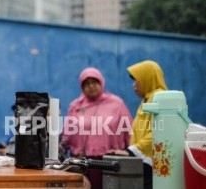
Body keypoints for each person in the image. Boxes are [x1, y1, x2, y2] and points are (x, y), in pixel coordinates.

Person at [60, 67, 132, 189]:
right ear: (82, 87)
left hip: (107, 161)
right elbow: (68, 132)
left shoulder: (116, 104)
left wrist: (130, 151)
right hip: (80, 161)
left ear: (101, 82)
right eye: (87, 84)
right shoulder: (76, 105)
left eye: (94, 82)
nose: (91, 86)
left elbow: (129, 129)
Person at [107, 60, 167, 189]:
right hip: (144, 162)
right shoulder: (148, 99)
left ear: (148, 78)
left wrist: (131, 151)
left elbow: (158, 132)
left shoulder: (160, 98)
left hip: (153, 165)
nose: (134, 85)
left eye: (137, 80)